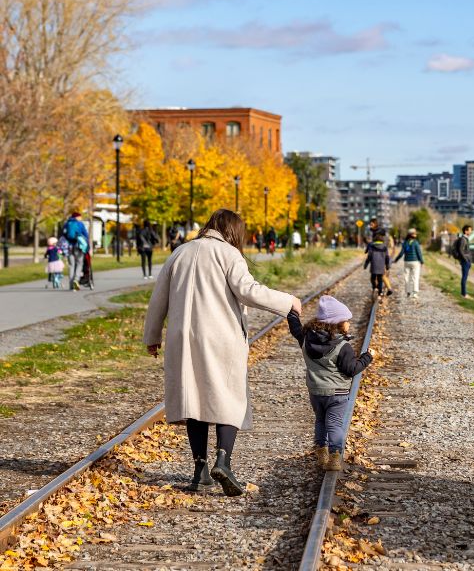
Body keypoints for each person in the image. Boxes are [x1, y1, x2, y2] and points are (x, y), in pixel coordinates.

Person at [143, 209, 303, 496]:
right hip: (220, 336)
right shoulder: (228, 254)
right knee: (229, 396)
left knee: (195, 399)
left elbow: (159, 299)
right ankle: (223, 461)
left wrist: (152, 336)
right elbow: (247, 290)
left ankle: (200, 471)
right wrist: (287, 301)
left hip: (184, 338)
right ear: (232, 231)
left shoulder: (179, 253)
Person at [286, 295, 375, 472]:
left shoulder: (306, 338)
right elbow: (351, 369)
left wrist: (292, 312)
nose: (349, 324)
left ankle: (321, 453)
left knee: (320, 421)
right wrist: (367, 357)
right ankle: (335, 457)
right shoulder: (343, 347)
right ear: (337, 323)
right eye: (346, 321)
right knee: (334, 424)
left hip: (316, 392)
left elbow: (295, 327)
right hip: (337, 393)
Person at [393, 229, 424, 300]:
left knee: (406, 277)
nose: (416, 234)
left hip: (407, 262)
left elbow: (401, 253)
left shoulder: (405, 243)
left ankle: (408, 292)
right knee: (415, 277)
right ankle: (415, 293)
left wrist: (396, 260)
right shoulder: (416, 243)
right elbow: (419, 253)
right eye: (415, 233)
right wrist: (421, 261)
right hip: (415, 262)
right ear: (413, 235)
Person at [61, 212, 88, 291]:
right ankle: (76, 280)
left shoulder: (66, 224)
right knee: (79, 263)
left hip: (69, 247)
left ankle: (71, 284)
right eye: (80, 217)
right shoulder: (80, 224)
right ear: (77, 217)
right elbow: (85, 235)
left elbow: (63, 235)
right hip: (78, 247)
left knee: (71, 265)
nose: (81, 218)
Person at [450, 225, 472, 297]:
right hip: (465, 261)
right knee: (464, 277)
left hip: (467, 260)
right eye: (469, 230)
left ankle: (464, 293)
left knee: (465, 277)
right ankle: (464, 294)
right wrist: (465, 259)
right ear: (466, 231)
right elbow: (460, 250)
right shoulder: (463, 239)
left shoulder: (465, 239)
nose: (471, 231)